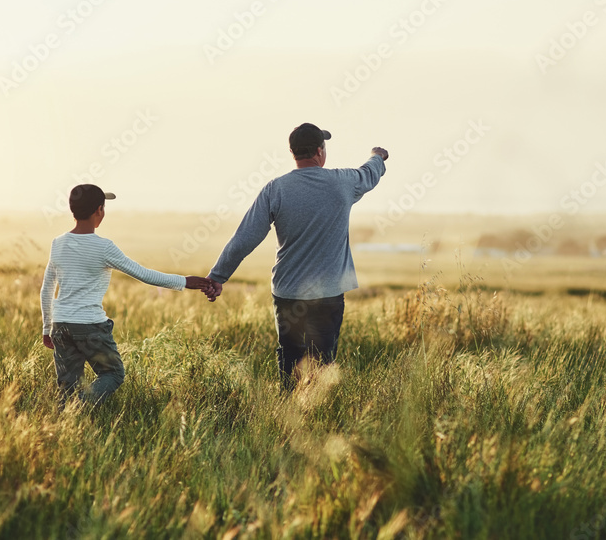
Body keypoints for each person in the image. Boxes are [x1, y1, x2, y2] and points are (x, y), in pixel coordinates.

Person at [205, 123, 388, 389]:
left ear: (293, 153)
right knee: (323, 362)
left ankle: (286, 414)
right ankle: (315, 419)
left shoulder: (275, 189)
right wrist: (377, 156)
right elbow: (369, 173)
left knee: (289, 359)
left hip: (288, 292)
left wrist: (217, 276)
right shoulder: (343, 182)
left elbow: (244, 238)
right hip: (327, 293)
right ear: (319, 151)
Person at [40, 184, 213, 407]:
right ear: (99, 211)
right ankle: (79, 407)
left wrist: (47, 328)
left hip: (60, 325)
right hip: (90, 326)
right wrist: (184, 281)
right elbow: (142, 274)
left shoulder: (58, 243)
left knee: (67, 386)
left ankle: (66, 419)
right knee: (112, 374)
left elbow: (46, 289)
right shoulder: (104, 247)